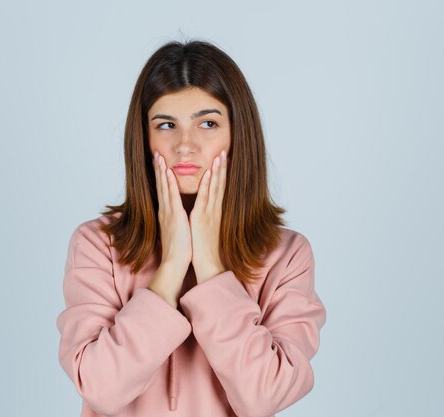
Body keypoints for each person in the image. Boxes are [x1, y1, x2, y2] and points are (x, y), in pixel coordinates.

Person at [55, 39, 327, 417]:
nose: (186, 145)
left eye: (208, 123)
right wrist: (170, 268)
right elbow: (100, 388)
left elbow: (264, 396)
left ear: (237, 134)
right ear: (143, 137)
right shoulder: (98, 245)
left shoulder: (286, 255)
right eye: (166, 125)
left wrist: (212, 266)